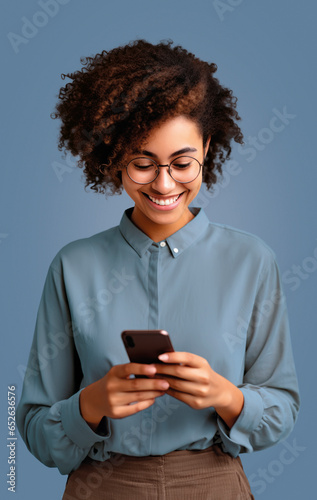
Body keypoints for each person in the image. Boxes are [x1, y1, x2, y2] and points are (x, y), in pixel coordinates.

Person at [17, 39, 300, 499]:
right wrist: (91, 404)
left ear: (207, 147)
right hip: (102, 485)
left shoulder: (252, 261)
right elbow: (32, 427)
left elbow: (283, 409)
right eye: (143, 163)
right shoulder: (73, 266)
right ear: (113, 159)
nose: (164, 183)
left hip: (214, 483)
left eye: (182, 163)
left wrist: (226, 396)